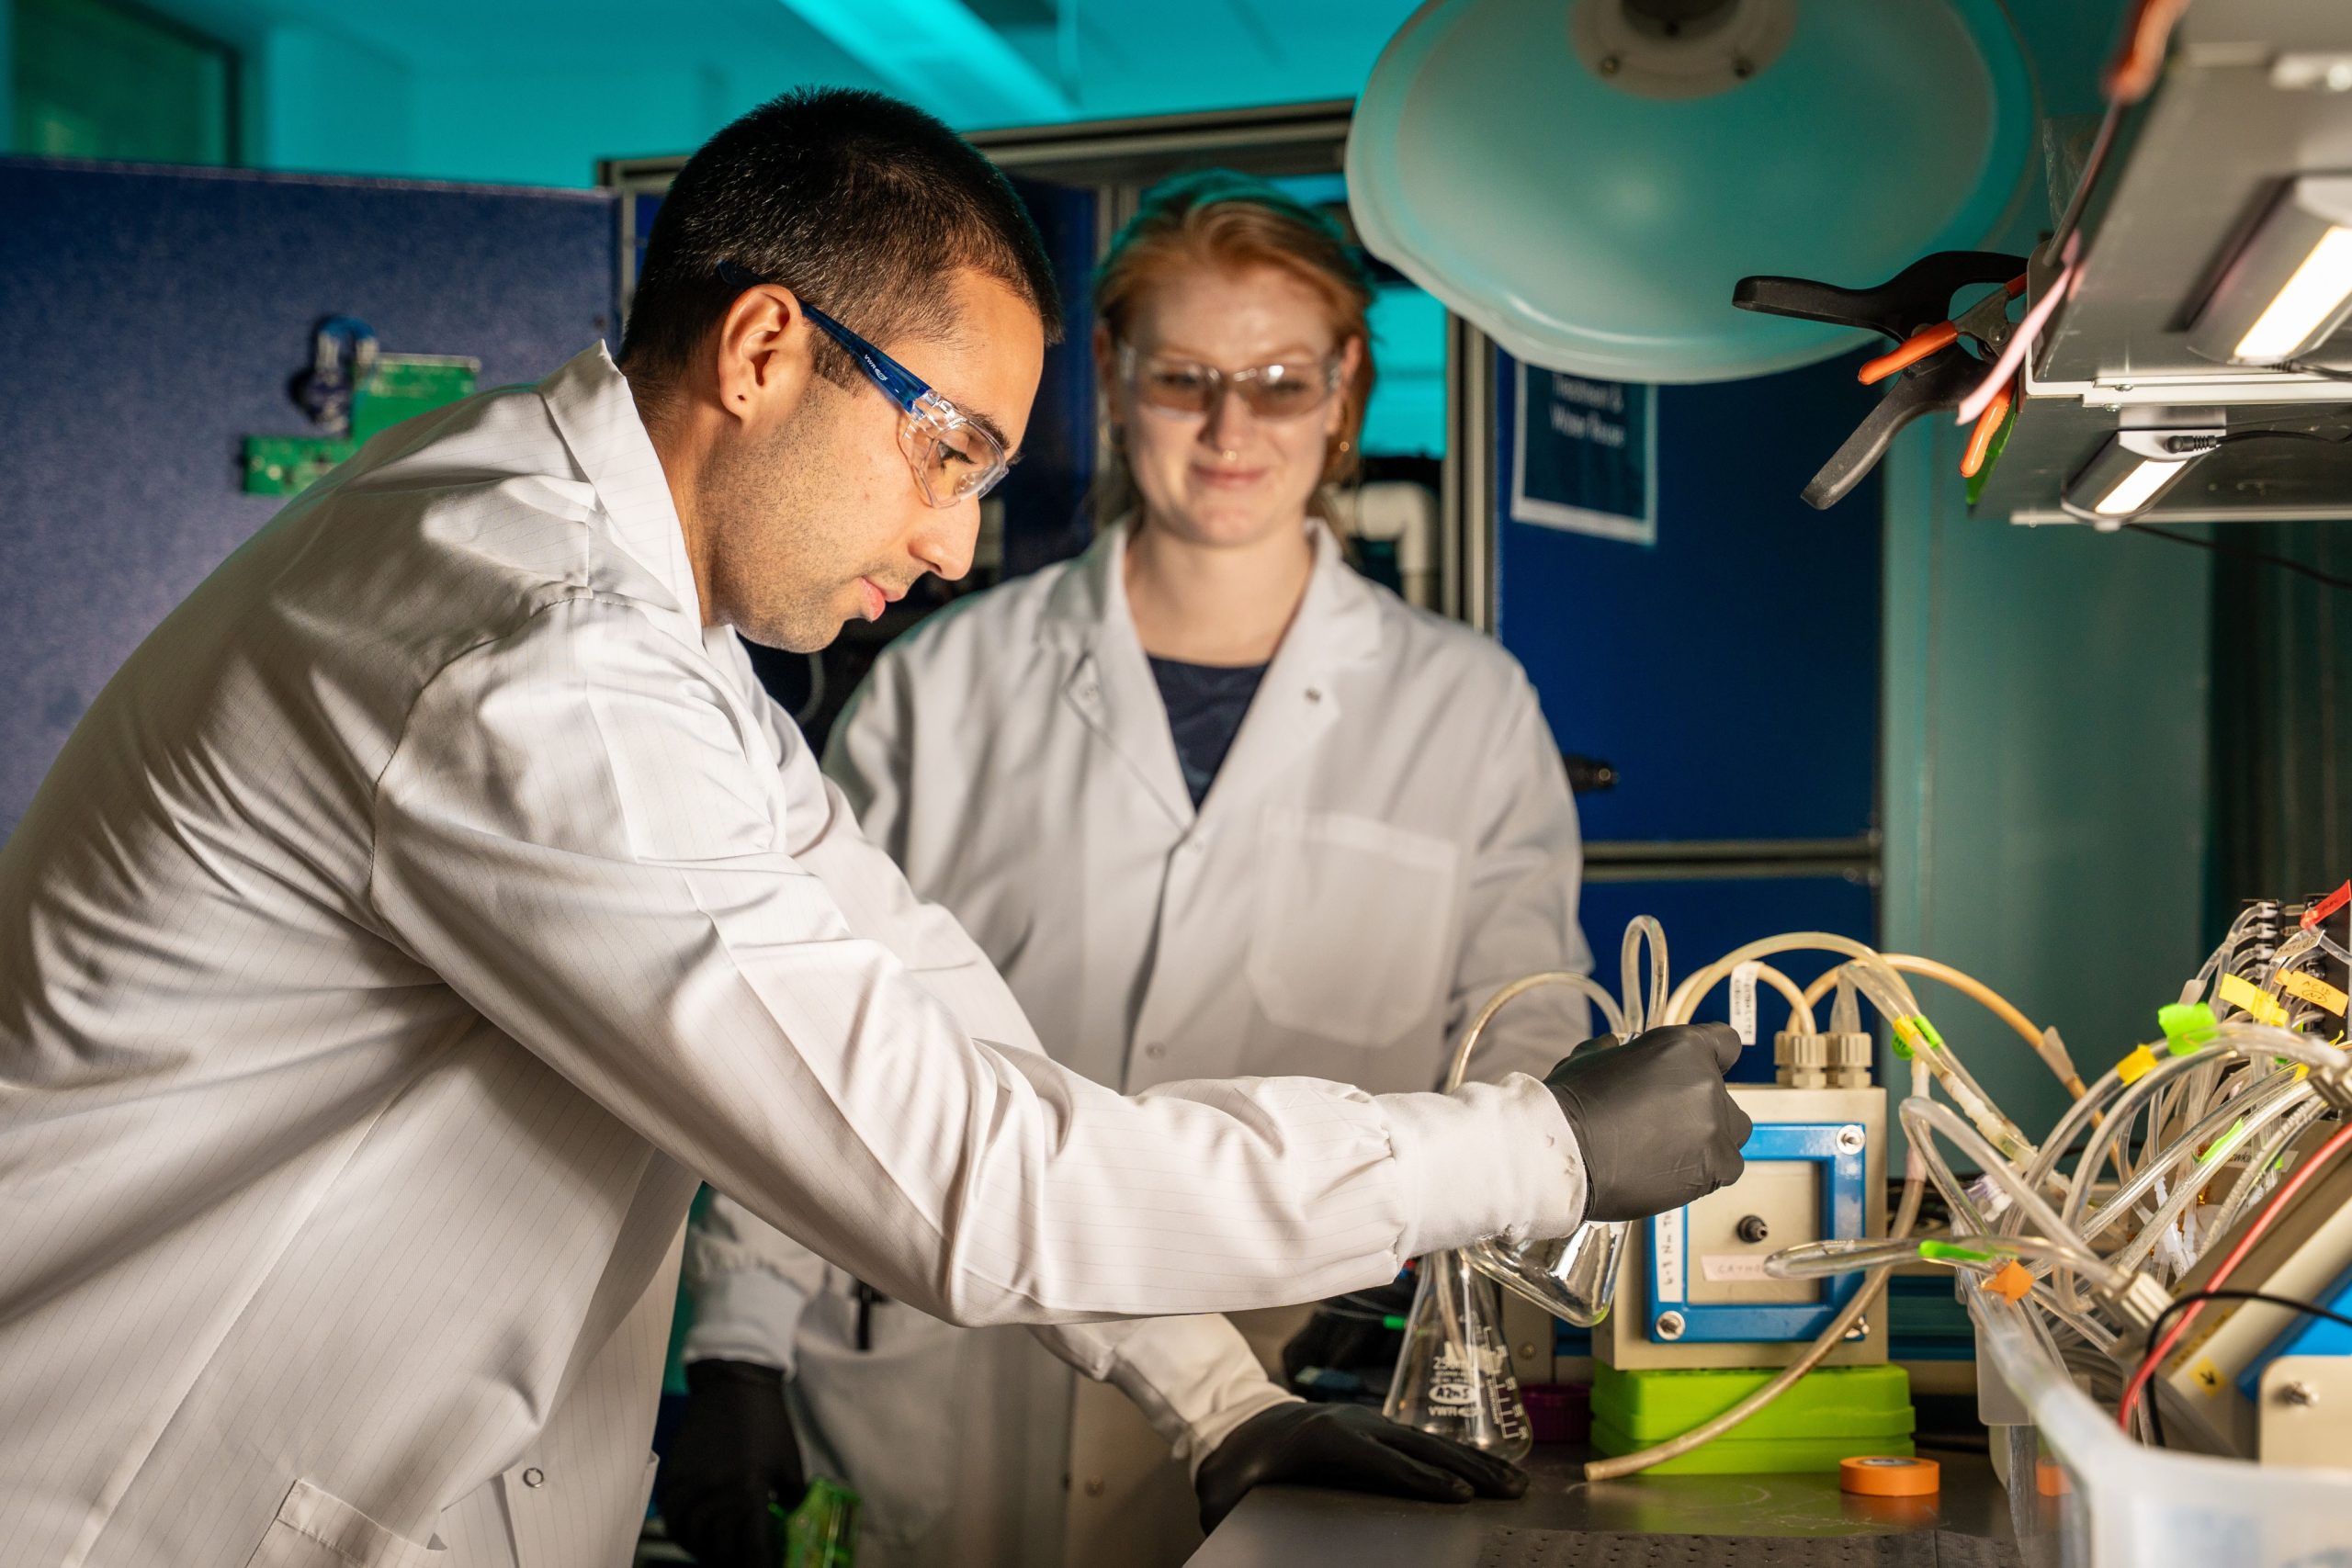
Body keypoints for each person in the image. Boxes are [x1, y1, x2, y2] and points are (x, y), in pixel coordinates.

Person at [0, 93, 1749, 1568]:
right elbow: (969, 1184)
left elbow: (942, 1040)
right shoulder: (541, 667)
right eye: (949, 453)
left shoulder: (648, 635)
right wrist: (1541, 1156)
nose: (954, 543)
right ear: (767, 350)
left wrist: (1227, 1404)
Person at [662, 172, 1630, 1568]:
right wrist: (743, 1342)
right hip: (952, 1388)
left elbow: (1522, 1035)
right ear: (1112, 378)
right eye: (1184, 377)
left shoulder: (1466, 709)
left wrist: (1510, 1301)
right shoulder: (953, 683)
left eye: (1282, 381)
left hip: (1306, 1372)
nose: (1232, 427)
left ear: (1346, 390)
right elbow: (820, 1027)